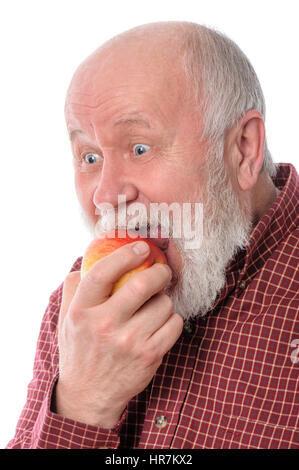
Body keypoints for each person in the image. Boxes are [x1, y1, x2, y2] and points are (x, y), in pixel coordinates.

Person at [7, 21, 298, 449]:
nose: (106, 194)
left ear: (243, 150)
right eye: (89, 156)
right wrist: (83, 403)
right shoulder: (80, 310)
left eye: (139, 148)